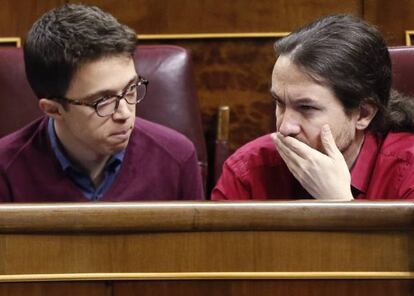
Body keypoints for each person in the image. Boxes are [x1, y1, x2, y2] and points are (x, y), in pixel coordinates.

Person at [0, 4, 204, 202]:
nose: (124, 114)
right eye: (103, 100)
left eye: (131, 89)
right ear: (54, 109)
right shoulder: (5, 170)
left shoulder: (177, 158)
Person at [212, 14, 414, 200]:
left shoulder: (407, 171)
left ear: (363, 114)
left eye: (306, 108)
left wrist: (340, 204)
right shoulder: (248, 169)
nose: (284, 127)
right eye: (279, 103)